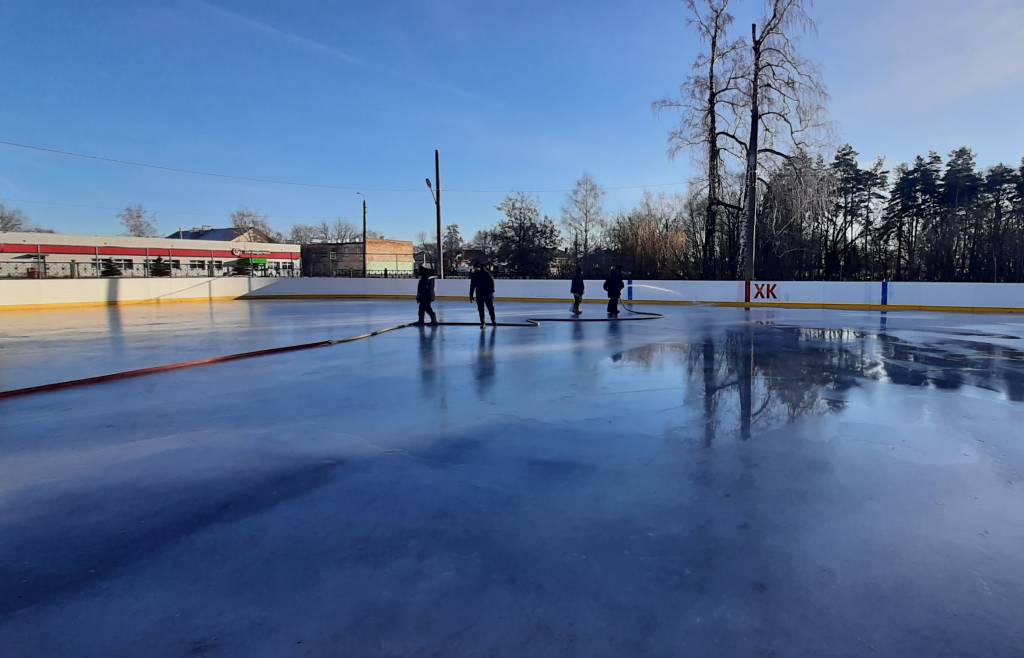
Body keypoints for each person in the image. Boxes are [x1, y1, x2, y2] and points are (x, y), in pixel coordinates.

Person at [469, 261, 497, 327]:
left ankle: (493, 321)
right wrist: (471, 295)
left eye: (476, 268)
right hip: (479, 295)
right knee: (480, 309)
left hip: (487, 294)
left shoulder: (486, 273)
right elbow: (472, 286)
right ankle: (482, 322)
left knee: (490, 308)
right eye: (474, 268)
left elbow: (491, 282)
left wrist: (492, 292)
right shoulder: (474, 275)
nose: (475, 269)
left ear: (479, 267)